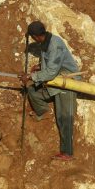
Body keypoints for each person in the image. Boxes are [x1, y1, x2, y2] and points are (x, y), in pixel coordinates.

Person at [18, 20, 79, 161]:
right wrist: (40, 66)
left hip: (66, 83)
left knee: (64, 119)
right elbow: (51, 64)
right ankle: (44, 113)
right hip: (53, 82)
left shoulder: (55, 45)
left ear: (36, 36)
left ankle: (67, 153)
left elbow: (51, 72)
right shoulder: (45, 42)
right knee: (33, 92)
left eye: (32, 37)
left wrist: (31, 76)